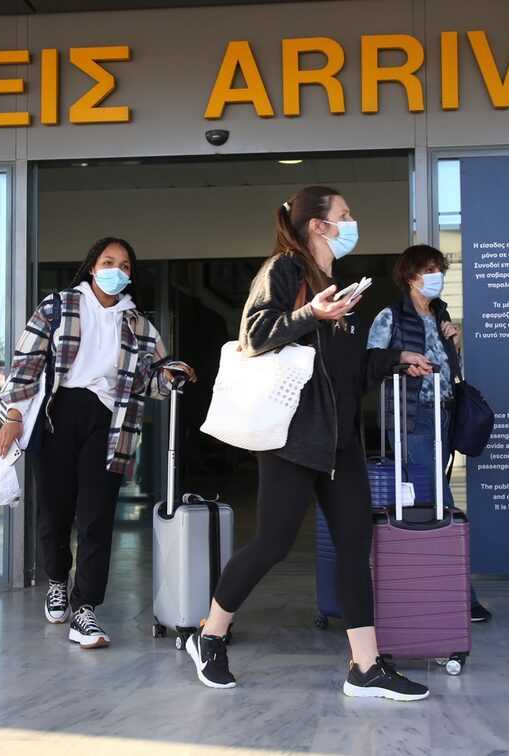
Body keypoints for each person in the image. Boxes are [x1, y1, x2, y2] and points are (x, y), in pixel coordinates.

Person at [187, 186, 432, 701]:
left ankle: (365, 666)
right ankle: (209, 635)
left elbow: (343, 369)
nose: (352, 221)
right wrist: (310, 315)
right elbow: (254, 335)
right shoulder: (284, 269)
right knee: (272, 543)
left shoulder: (336, 286)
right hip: (293, 438)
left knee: (354, 547)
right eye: (345, 214)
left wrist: (395, 359)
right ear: (318, 225)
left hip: (339, 440)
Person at [0, 238, 193, 649]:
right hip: (56, 414)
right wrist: (13, 415)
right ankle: (57, 580)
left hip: (110, 422)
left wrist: (173, 374)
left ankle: (85, 609)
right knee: (54, 511)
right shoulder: (59, 306)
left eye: (124, 265)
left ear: (130, 275)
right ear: (92, 267)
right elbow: (26, 363)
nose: (116, 270)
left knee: (97, 517)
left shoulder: (138, 324)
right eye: (108, 262)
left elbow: (150, 380)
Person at [365, 244, 492, 623]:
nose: (436, 276)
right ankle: (461, 596)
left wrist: (455, 344)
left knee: (431, 498)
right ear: (410, 276)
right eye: (429, 270)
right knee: (437, 499)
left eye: (439, 269)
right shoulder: (390, 316)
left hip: (444, 414)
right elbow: (370, 362)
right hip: (413, 418)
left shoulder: (441, 315)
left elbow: (449, 370)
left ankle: (431, 588)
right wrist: (402, 360)